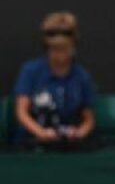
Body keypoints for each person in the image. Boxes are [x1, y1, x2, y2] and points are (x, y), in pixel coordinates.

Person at [12, 11, 96, 150]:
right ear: (47, 47)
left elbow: (89, 120)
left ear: (73, 46)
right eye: (55, 49)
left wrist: (78, 133)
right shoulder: (30, 71)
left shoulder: (82, 77)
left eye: (64, 49)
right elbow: (21, 112)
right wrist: (41, 133)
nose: (60, 56)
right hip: (31, 145)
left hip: (68, 147)